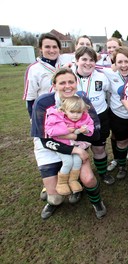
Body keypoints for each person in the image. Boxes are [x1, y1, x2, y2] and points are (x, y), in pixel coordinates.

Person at [31, 68, 106, 220]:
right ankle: (52, 197)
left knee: (89, 179)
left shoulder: (83, 101)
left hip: (75, 144)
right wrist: (74, 148)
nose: (67, 86)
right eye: (62, 83)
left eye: (71, 82)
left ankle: (97, 202)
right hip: (50, 148)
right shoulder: (43, 103)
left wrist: (77, 136)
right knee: (56, 198)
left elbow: (96, 132)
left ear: (76, 83)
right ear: (54, 85)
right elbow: (45, 140)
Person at [23, 32, 73, 202]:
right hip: (45, 120)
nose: (51, 50)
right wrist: (34, 123)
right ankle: (51, 184)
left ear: (59, 49)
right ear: (40, 49)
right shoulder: (34, 69)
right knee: (55, 199)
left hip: (67, 118)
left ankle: (71, 180)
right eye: (47, 47)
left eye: (54, 47)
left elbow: (88, 57)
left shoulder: (64, 63)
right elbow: (30, 100)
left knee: (67, 150)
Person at [96, 46, 128, 180]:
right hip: (118, 115)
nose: (124, 65)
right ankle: (122, 166)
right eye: (120, 62)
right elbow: (91, 66)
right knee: (122, 142)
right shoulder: (109, 73)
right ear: (114, 63)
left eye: (126, 61)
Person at [73, 46, 114, 184]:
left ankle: (103, 173)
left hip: (100, 117)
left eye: (91, 60)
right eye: (84, 59)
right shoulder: (68, 76)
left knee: (99, 148)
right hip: (76, 121)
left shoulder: (102, 76)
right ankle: (78, 178)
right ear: (76, 60)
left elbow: (109, 93)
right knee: (78, 150)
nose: (88, 63)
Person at [45, 96, 94, 195]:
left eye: (78, 112)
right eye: (72, 112)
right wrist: (67, 130)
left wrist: (86, 130)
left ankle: (73, 180)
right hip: (62, 146)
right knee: (68, 161)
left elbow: (91, 126)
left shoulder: (85, 117)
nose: (75, 115)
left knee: (77, 161)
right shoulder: (57, 116)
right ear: (65, 110)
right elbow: (50, 131)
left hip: (75, 146)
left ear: (83, 111)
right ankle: (62, 183)